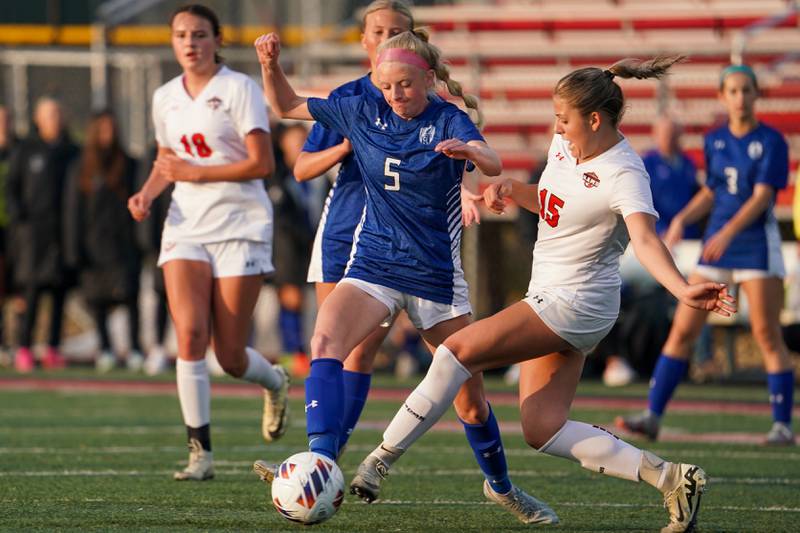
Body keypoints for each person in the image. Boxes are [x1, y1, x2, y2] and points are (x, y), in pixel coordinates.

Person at [351, 56, 737, 532]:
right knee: (542, 427)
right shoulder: (567, 143)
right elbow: (556, 200)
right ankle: (672, 478)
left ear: (595, 120)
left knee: (457, 351)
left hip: (577, 302)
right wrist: (511, 189)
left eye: (565, 119)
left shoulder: (625, 172)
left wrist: (681, 288)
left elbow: (645, 239)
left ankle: (380, 460)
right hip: (553, 295)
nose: (557, 127)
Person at [255, 28, 554, 524]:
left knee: (472, 403)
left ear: (429, 81)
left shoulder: (447, 118)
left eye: (406, 86)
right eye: (388, 86)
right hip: (374, 264)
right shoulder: (359, 108)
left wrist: (473, 155)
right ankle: (322, 459)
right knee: (326, 339)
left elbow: (494, 160)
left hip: (435, 278)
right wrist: (269, 63)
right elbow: (286, 103)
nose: (396, 95)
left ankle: (501, 486)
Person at [127, 4, 289, 481]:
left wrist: (196, 172)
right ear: (173, 42)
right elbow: (165, 158)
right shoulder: (164, 97)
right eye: (181, 35)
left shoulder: (239, 88)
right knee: (190, 336)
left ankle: (274, 380)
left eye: (199, 34)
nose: (190, 43)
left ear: (217, 41)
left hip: (240, 223)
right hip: (186, 225)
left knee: (231, 356)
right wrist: (147, 193)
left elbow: (262, 164)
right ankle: (200, 453)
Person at [617, 64, 795, 446]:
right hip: (718, 244)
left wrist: (728, 231)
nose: (740, 97)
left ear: (755, 96)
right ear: (722, 97)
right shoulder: (715, 141)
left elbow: (763, 197)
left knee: (766, 333)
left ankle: (782, 424)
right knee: (683, 327)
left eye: (747, 90)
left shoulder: (772, 141)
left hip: (754, 245)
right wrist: (682, 219)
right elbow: (714, 191)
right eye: (733, 90)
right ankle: (652, 415)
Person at [7, 96, 80, 372]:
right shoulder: (27, 150)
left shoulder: (72, 151)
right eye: (48, 114)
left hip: (63, 234)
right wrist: (20, 218)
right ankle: (24, 347)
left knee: (59, 293)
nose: (53, 119)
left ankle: (53, 347)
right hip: (32, 237)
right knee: (32, 292)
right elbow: (12, 187)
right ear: (38, 119)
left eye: (57, 113)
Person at [71, 110, 144, 373]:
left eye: (111, 129)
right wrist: (75, 248)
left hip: (124, 245)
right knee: (98, 300)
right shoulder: (82, 168)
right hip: (93, 247)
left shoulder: (129, 164)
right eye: (102, 129)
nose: (108, 134)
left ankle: (135, 349)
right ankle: (105, 348)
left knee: (130, 297)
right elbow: (74, 210)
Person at [266, 122, 314, 374]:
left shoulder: (315, 177)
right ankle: (292, 352)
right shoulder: (279, 177)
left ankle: (299, 352)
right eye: (295, 142)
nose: (299, 147)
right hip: (287, 251)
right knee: (289, 299)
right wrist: (308, 236)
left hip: (311, 250)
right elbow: (283, 218)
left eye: (303, 140)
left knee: (304, 303)